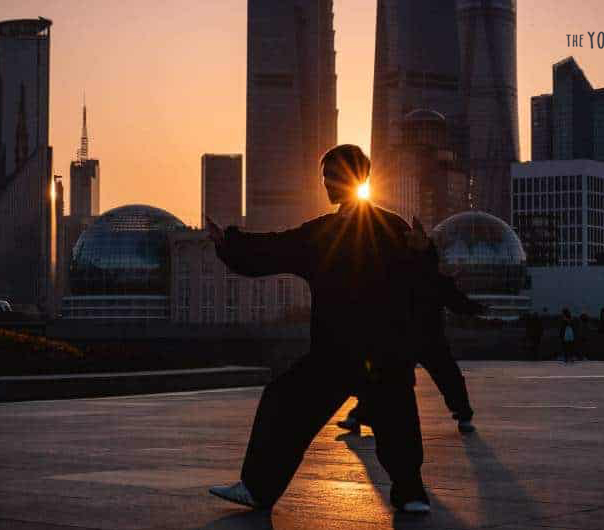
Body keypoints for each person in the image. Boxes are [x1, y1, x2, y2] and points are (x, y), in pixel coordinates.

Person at [207, 145, 432, 513]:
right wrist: (425, 253)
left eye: (329, 176)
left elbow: (273, 249)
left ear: (347, 178)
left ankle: (258, 488)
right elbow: (422, 279)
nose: (324, 183)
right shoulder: (392, 228)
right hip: (382, 350)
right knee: (396, 417)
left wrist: (229, 244)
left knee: (285, 404)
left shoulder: (327, 233)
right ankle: (411, 494)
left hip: (338, 352)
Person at [336, 233, 486, 435]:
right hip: (424, 338)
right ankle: (464, 416)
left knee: (386, 376)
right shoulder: (433, 279)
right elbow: (458, 303)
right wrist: (479, 309)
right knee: (447, 377)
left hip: (407, 338)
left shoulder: (403, 276)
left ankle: (358, 416)